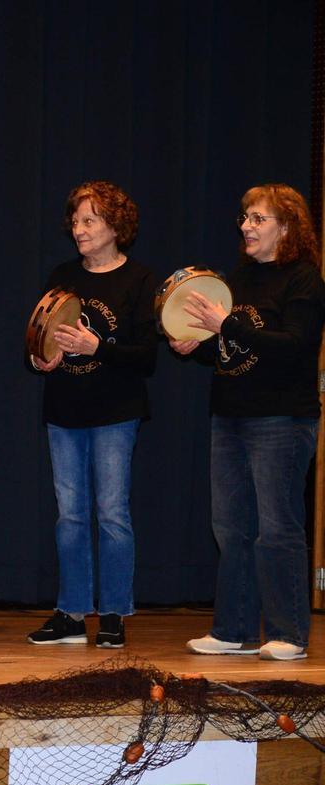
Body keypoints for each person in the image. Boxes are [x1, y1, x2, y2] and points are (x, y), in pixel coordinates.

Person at [175, 183, 324, 661]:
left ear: (287, 227)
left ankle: (288, 634)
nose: (246, 226)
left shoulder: (303, 279)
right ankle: (233, 629)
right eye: (245, 217)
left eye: (258, 219)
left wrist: (226, 326)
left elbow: (294, 345)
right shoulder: (238, 278)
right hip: (230, 416)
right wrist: (197, 346)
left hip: (281, 419)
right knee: (231, 526)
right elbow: (235, 348)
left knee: (277, 527)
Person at [26, 181, 157, 648]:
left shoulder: (140, 280)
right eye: (76, 221)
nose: (78, 230)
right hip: (64, 411)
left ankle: (115, 614)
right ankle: (71, 613)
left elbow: (147, 356)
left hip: (115, 412)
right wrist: (42, 360)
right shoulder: (62, 276)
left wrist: (97, 346)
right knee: (70, 516)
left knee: (112, 514)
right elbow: (37, 342)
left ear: (115, 226)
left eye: (89, 221)